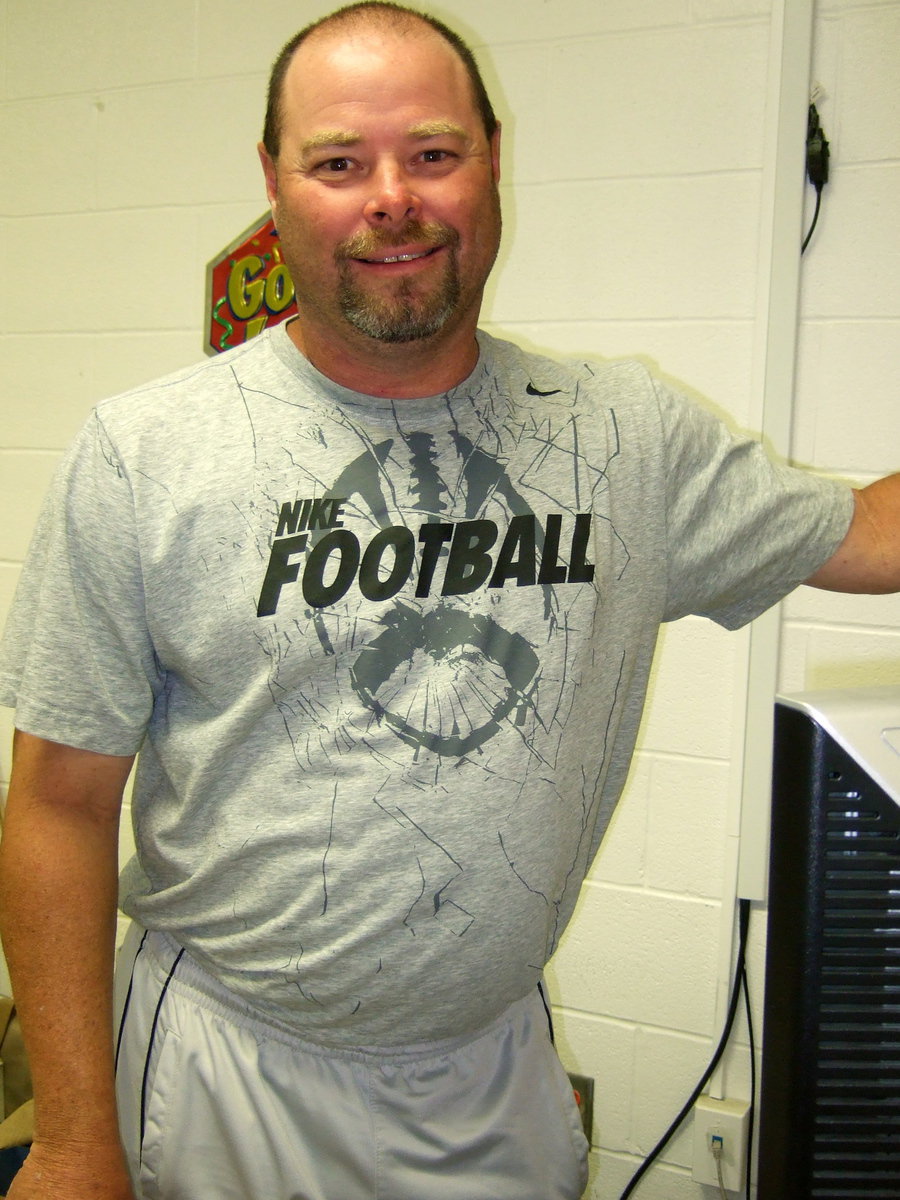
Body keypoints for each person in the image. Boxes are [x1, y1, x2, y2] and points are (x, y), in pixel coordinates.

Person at [0, 4, 897, 1198]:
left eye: (433, 152)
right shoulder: (147, 453)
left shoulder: (622, 435)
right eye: (338, 162)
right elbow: (57, 807)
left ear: (490, 161)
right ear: (273, 182)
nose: (393, 198)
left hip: (490, 1071)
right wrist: (71, 1141)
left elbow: (872, 537)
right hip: (224, 1068)